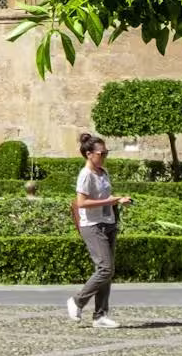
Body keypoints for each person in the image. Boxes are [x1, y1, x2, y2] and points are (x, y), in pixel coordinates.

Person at [67, 131, 131, 330]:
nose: (104, 156)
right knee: (105, 268)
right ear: (89, 154)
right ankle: (77, 301)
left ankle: (100, 315)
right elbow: (81, 203)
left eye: (106, 153)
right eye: (101, 153)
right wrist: (110, 200)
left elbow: (106, 196)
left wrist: (118, 199)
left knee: (107, 271)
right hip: (92, 225)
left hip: (108, 222)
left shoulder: (103, 172)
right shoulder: (85, 175)